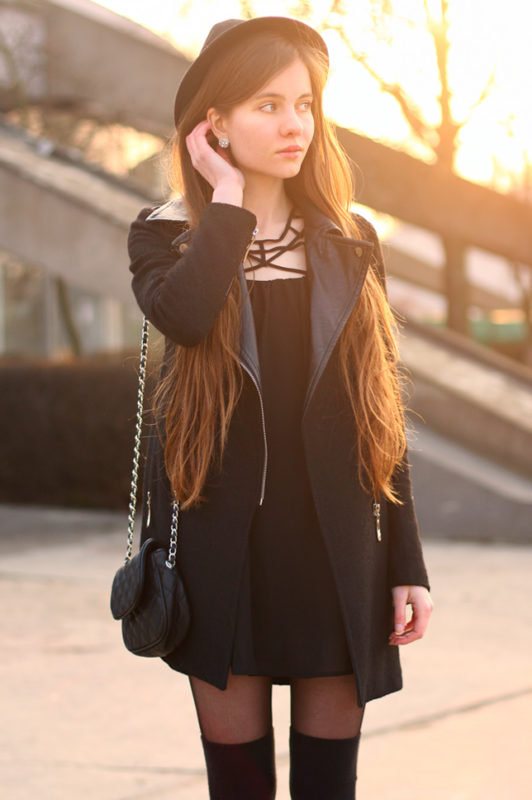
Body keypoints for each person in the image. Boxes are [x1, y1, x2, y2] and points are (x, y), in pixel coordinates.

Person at [127, 15, 433, 799]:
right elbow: (189, 316)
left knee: (330, 788)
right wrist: (227, 202)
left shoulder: (350, 237)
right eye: (267, 105)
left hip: (335, 554)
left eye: (304, 103)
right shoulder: (164, 238)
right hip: (219, 557)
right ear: (213, 124)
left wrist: (405, 564)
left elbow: (380, 412)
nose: (295, 122)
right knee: (239, 790)